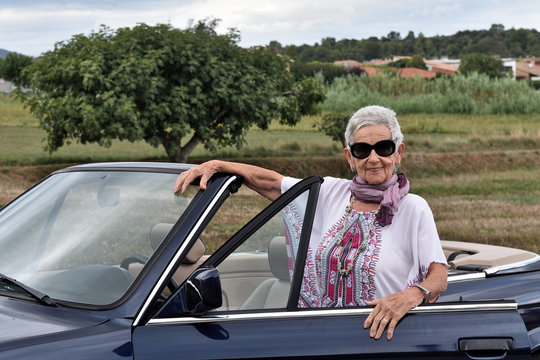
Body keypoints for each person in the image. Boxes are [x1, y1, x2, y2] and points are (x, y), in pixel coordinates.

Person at [174, 105, 447, 341]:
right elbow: (272, 183)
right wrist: (219, 164)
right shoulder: (329, 192)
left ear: (398, 153)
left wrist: (410, 296)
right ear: (349, 157)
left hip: (383, 338)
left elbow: (438, 276)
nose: (373, 158)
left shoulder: (413, 208)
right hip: (321, 337)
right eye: (362, 150)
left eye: (383, 148)